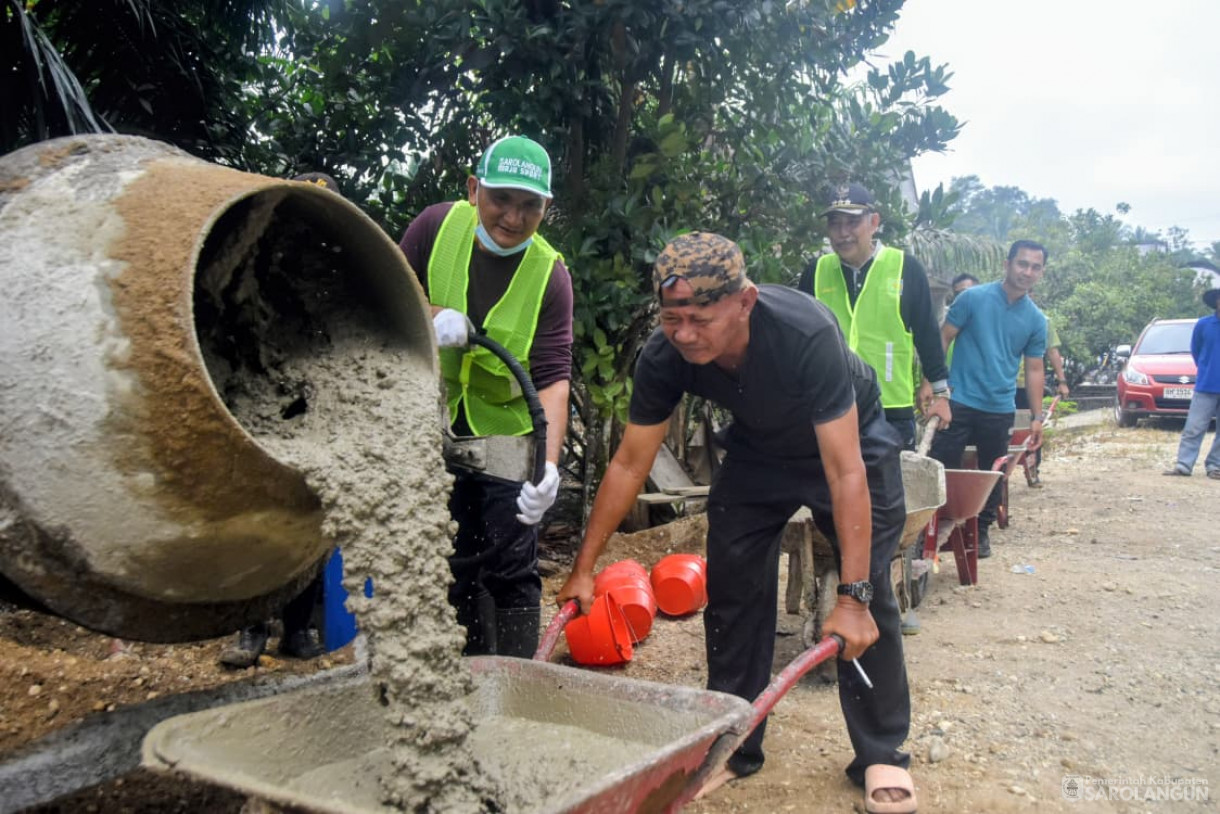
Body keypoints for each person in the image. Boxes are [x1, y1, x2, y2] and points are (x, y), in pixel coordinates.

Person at [558, 232, 917, 813]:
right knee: (732, 585)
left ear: (745, 301)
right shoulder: (664, 354)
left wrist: (851, 597)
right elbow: (629, 463)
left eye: (701, 318)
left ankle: (880, 753)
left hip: (852, 448)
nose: (685, 334)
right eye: (672, 318)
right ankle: (734, 743)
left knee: (866, 594)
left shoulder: (806, 333)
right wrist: (583, 568)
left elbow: (845, 471)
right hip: (760, 450)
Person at [399, 136, 572, 658]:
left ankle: (518, 684)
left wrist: (546, 467)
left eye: (530, 206)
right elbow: (384, 296)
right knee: (450, 558)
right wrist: (430, 317)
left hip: (507, 432)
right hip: (434, 421)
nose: (513, 218)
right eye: (501, 199)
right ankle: (464, 676)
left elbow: (553, 379)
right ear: (474, 189)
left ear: (547, 209)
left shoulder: (551, 275)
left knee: (510, 564)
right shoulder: (434, 227)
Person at [219, 172, 343, 668]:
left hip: (315, 416)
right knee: (260, 526)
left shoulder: (337, 272)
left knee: (309, 527)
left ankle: (297, 628)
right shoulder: (255, 264)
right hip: (259, 413)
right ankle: (251, 629)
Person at [798, 183, 951, 451]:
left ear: (874, 222)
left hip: (889, 409)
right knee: (829, 490)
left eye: (852, 222)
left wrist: (940, 393)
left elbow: (927, 334)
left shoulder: (905, 268)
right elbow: (799, 338)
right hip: (830, 407)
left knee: (888, 491)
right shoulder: (816, 271)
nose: (843, 233)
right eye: (835, 224)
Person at [928, 240, 1049, 559]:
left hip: (999, 406)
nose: (1027, 271)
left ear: (1041, 273)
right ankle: (933, 526)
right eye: (1022, 264)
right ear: (1007, 264)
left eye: (1035, 267)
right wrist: (932, 384)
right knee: (940, 464)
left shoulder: (1036, 320)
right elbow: (943, 337)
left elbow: (1034, 368)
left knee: (993, 472)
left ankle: (980, 529)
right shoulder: (972, 299)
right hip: (959, 400)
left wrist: (1037, 417)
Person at [1163, 287, 1220, 479]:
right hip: (1206, 385)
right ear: (1215, 302)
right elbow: (1196, 351)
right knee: (1194, 426)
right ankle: (1184, 464)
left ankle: (1215, 466)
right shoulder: (1204, 325)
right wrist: (1205, 368)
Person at [1015, 319, 1071, 485]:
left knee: (1033, 427)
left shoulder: (1041, 321)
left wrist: (1062, 381)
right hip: (1002, 384)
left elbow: (1052, 352)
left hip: (1028, 386)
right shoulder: (1000, 314)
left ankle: (1033, 471)